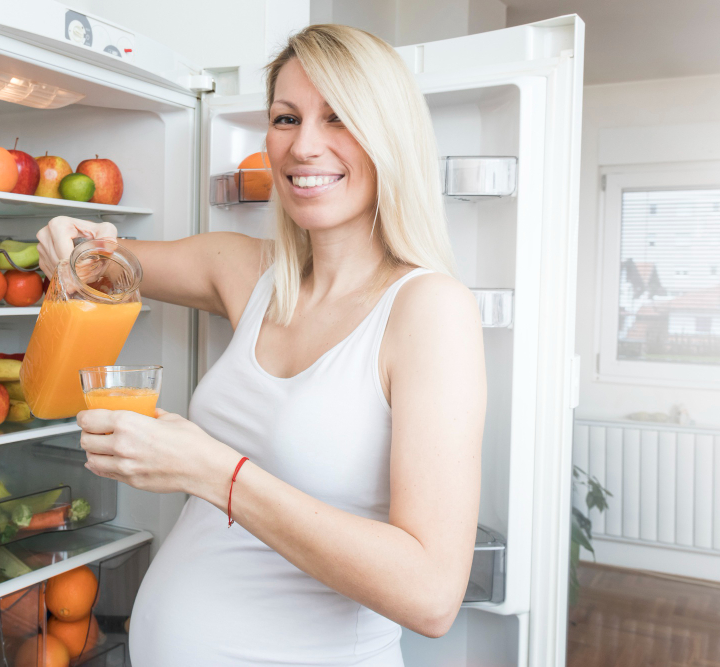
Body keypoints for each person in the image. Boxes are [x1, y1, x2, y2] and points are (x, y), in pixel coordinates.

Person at [36, 24, 486, 667]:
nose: (304, 146)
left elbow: (432, 595)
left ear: (392, 137)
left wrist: (215, 472)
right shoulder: (244, 271)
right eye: (285, 118)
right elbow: (99, 262)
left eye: (339, 118)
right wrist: (71, 242)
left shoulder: (427, 308)